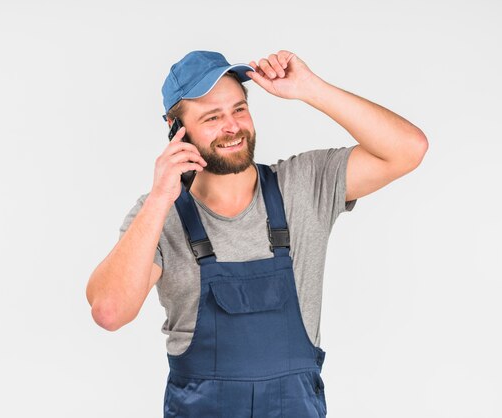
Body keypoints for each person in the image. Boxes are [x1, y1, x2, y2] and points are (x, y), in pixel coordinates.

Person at [86, 50, 428, 417]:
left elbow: (408, 150)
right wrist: (158, 200)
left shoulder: (303, 184)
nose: (232, 127)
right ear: (175, 128)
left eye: (238, 109)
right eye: (212, 117)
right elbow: (110, 312)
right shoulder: (156, 215)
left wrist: (311, 88)